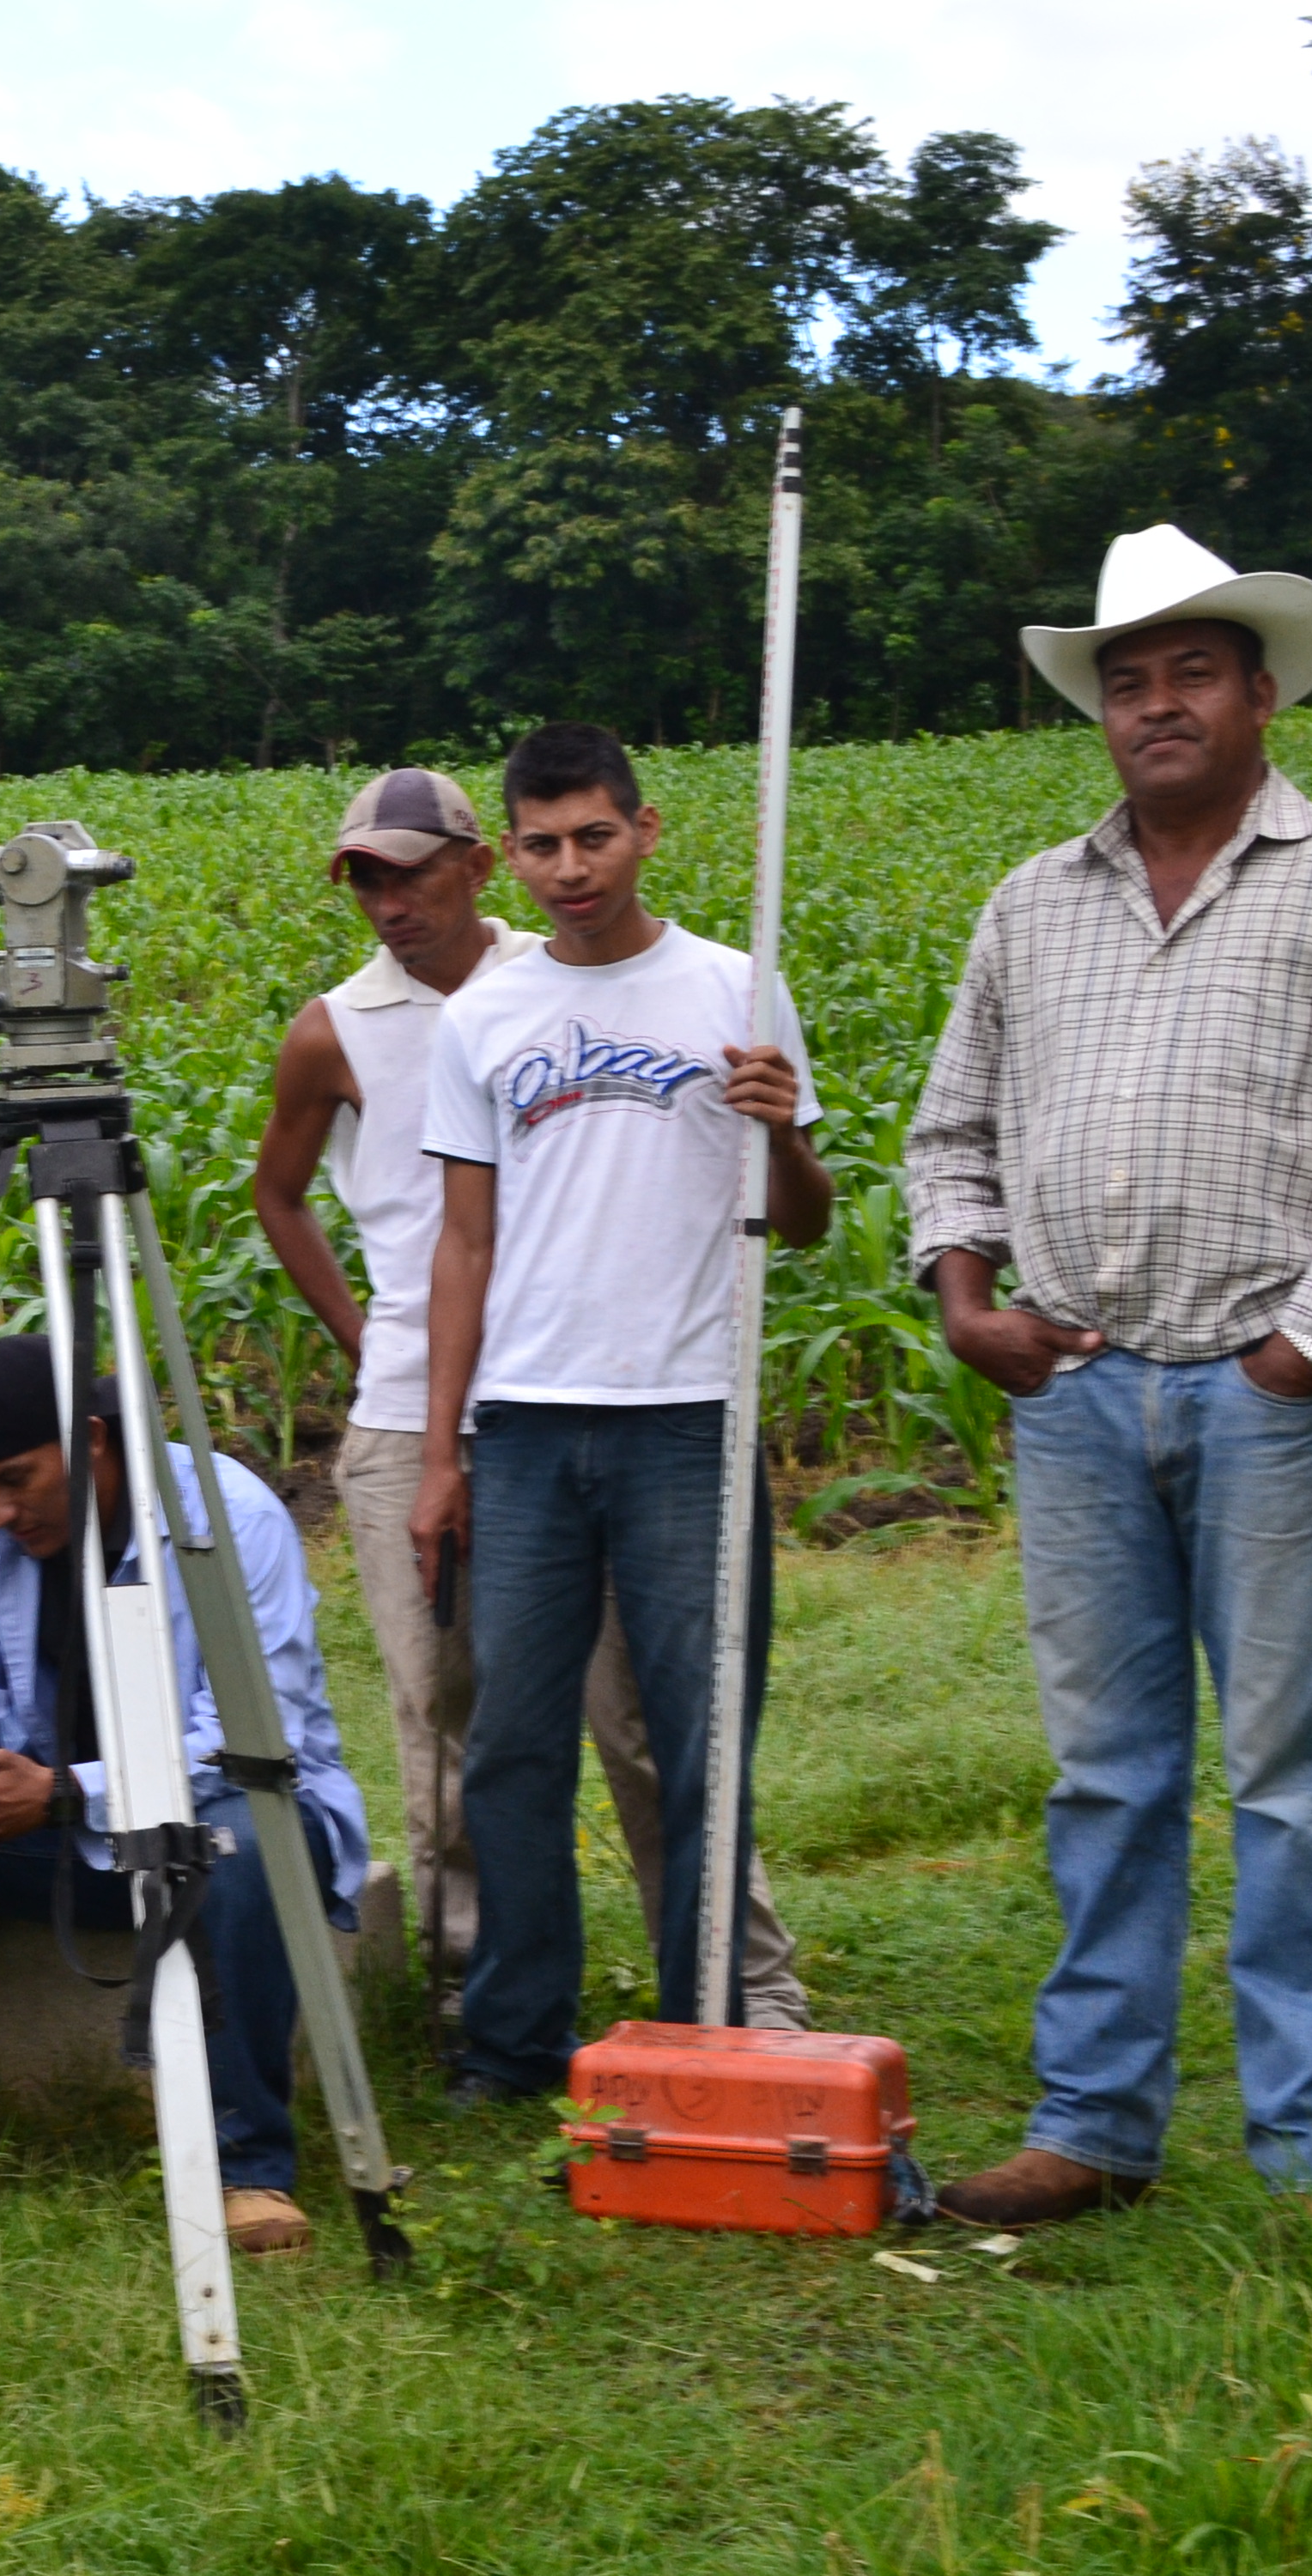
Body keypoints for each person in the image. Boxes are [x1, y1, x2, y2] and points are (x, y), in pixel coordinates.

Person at [252, 765, 811, 2031]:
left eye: (410, 871)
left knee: (652, 1721)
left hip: (614, 1395)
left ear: (474, 864)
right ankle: (483, 1998)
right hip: (437, 1407)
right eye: (367, 881)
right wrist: (367, 1343)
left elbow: (771, 1199)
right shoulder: (345, 1024)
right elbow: (324, 1207)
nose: (390, 902)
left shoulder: (544, 985)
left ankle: (736, 1985)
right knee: (460, 1720)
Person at [903, 526, 1312, 2223]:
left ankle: (1298, 2139)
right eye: (1126, 680)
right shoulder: (1031, 905)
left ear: (1263, 691)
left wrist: (1306, 1346)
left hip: (1266, 1392)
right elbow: (953, 1134)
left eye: (1191, 672)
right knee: (1107, 1770)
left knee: (1291, 1777)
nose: (1157, 704)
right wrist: (961, 1294)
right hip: (1070, 1392)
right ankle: (1094, 2126)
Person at [408, 723, 832, 2105]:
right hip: (525, 1426)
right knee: (518, 1747)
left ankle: (705, 2024)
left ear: (647, 831)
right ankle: (518, 2040)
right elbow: (460, 1245)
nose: (569, 867)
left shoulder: (734, 986)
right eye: (541, 844)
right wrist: (440, 1452)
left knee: (702, 1739)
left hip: (686, 1418)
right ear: (510, 857)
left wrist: (776, 1127)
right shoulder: (483, 1020)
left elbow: (807, 1225)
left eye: (594, 836)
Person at [0, 1338, 371, 2254]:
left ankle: (247, 2170)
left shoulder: (228, 1518)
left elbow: (252, 1743)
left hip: (203, 1825)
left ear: (94, 1441)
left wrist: (64, 1792)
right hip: (60, 1830)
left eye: (16, 1480)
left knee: (252, 1838)